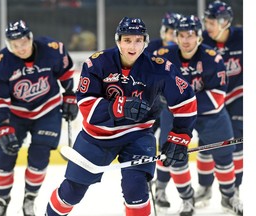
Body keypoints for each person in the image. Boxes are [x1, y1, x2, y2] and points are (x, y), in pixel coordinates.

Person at [45, 16, 197, 216]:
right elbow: (86, 106)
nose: (132, 46)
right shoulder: (97, 64)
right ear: (118, 41)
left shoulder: (160, 68)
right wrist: (119, 107)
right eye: (127, 40)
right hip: (96, 137)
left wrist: (181, 135)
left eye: (138, 40)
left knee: (136, 189)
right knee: (72, 191)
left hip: (138, 135)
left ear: (145, 41)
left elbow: (185, 101)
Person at [0, 20, 79, 216]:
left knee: (39, 157)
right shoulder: (1, 63)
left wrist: (70, 94)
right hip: (15, 114)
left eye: (23, 42)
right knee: (3, 157)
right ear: (9, 45)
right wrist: (3, 124)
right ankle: (1, 204)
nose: (20, 48)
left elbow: (66, 72)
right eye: (14, 45)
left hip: (47, 110)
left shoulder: (52, 50)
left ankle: (29, 200)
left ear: (30, 38)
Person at [154, 15, 243, 215]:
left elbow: (217, 98)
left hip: (210, 114)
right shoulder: (163, 57)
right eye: (182, 35)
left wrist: (180, 103)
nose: (186, 40)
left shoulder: (213, 58)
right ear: (176, 37)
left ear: (199, 37)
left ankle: (229, 197)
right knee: (174, 157)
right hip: (175, 116)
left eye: (191, 35)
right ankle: (187, 200)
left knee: (224, 155)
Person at [194, 0, 243, 206]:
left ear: (225, 22)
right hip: (211, 97)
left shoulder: (243, 37)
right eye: (206, 21)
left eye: (211, 22)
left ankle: (233, 191)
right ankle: (205, 188)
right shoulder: (202, 40)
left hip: (238, 95)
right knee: (207, 142)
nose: (207, 26)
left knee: (237, 142)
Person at [146, 12, 183, 134]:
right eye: (170, 32)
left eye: (176, 33)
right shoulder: (151, 48)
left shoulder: (186, 52)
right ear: (164, 32)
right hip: (153, 99)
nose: (173, 37)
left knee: (167, 141)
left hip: (172, 103)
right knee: (143, 135)